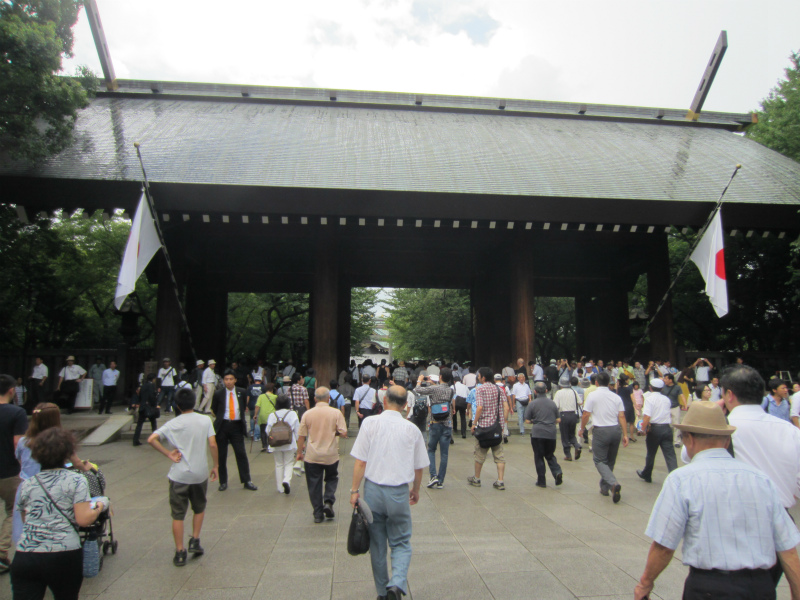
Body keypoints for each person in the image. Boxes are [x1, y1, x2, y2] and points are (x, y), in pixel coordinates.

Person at [634, 401, 800, 600]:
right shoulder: (762, 480)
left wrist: (645, 583)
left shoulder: (682, 480)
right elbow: (788, 551)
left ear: (689, 440)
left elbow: (664, 547)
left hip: (709, 588)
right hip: (760, 587)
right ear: (727, 441)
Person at [720, 365, 800, 588]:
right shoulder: (791, 431)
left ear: (729, 394)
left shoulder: (723, 429)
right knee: (764, 590)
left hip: (735, 526)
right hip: (780, 526)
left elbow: (690, 456)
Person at [350, 385, 428, 600]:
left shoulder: (370, 423)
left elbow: (360, 462)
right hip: (399, 492)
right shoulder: (411, 429)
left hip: (373, 490)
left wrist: (354, 491)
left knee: (377, 544)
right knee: (401, 541)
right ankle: (397, 582)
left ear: (384, 401)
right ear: (405, 406)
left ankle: (382, 592)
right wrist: (416, 490)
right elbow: (419, 466)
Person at [11, 428, 105, 599]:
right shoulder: (76, 480)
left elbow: (25, 519)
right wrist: (99, 506)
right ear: (67, 453)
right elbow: (83, 519)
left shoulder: (27, 484)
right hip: (63, 554)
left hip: (26, 555)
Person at [148, 387, 219, 567]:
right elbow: (212, 444)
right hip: (200, 473)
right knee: (199, 507)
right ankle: (195, 539)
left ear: (177, 405)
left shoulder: (173, 424)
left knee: (178, 514)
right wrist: (216, 465)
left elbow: (152, 439)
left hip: (179, 474)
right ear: (194, 402)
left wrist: (168, 454)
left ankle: (180, 551)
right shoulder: (205, 420)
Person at [12, 403, 90, 547]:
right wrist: (87, 468)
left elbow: (19, 459)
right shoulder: (60, 441)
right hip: (52, 487)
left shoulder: (24, 441)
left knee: (25, 524)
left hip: (26, 486)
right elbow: (77, 462)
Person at [296, 388, 347, 522]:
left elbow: (301, 436)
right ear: (328, 398)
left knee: (314, 483)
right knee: (331, 478)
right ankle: (329, 501)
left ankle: (318, 513)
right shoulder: (336, 413)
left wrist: (299, 453)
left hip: (312, 454)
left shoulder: (307, 414)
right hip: (330, 454)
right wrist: (333, 432)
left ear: (315, 399)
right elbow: (344, 433)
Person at [579, 371, 628, 503]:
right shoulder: (616, 397)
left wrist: (581, 428)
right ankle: (605, 488)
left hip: (601, 430)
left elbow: (586, 414)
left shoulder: (593, 396)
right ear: (609, 383)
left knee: (599, 460)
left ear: (596, 382)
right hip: (615, 430)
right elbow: (622, 416)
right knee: (610, 460)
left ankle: (612, 483)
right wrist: (625, 434)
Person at [210, 369, 257, 492]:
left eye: (231, 379)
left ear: (235, 380)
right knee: (222, 455)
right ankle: (223, 481)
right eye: (226, 379)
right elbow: (213, 409)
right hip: (223, 426)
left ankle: (246, 480)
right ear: (223, 381)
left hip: (236, 426)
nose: (229, 382)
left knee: (241, 453)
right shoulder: (218, 393)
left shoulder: (241, 392)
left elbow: (242, 407)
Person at [0, 374, 28, 574]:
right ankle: (1, 554)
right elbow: (18, 443)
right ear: (12, 390)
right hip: (9, 471)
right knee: (13, 511)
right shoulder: (16, 413)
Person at [468, 368, 508, 490]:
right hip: (496, 428)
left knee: (479, 455)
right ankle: (500, 481)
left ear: (483, 378)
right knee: (499, 455)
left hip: (484, 428)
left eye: (479, 376)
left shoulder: (479, 389)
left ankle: (477, 478)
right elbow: (506, 407)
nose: (478, 377)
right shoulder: (499, 389)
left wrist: (474, 423)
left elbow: (479, 407)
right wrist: (503, 423)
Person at [414, 368, 454, 490]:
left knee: (431, 450)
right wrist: (434, 383)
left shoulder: (434, 389)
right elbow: (441, 391)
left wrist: (419, 380)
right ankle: (441, 480)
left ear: (440, 376)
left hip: (435, 422)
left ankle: (433, 476)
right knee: (444, 454)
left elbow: (417, 390)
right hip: (447, 423)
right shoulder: (451, 390)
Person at [635, 379, 677, 483]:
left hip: (655, 429)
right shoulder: (666, 399)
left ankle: (647, 474)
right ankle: (675, 476)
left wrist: (642, 429)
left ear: (650, 387)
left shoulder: (649, 399)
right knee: (670, 454)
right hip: (667, 428)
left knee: (651, 453)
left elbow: (647, 416)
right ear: (662, 388)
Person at [525, 382, 563, 488]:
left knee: (539, 456)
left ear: (535, 391)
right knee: (550, 455)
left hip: (538, 433)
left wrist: (535, 421)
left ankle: (541, 481)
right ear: (546, 391)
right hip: (551, 433)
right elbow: (558, 419)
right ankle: (557, 472)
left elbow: (527, 420)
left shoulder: (532, 404)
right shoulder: (552, 403)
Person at [265, 394, 300, 494]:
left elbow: (268, 430)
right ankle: (286, 480)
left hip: (276, 443)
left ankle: (280, 487)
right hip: (289, 442)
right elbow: (297, 429)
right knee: (289, 463)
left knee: (279, 464)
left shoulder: (272, 415)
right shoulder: (292, 413)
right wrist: (299, 441)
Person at [553, 375, 581, 461]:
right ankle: (577, 445)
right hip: (573, 415)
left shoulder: (559, 393)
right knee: (572, 434)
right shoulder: (574, 391)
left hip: (563, 415)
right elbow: (580, 402)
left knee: (565, 436)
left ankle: (568, 454)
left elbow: (555, 405)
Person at [132, 373, 159, 446]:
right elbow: (152, 397)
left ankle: (135, 440)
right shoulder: (152, 386)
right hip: (149, 407)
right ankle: (155, 439)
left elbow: (140, 396)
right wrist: (155, 404)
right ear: (153, 379)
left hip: (143, 406)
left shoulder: (143, 386)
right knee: (153, 423)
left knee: (139, 424)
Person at [254, 383, 278, 452]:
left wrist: (255, 414)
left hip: (263, 415)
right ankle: (270, 445)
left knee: (263, 431)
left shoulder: (261, 396)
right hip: (272, 416)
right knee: (271, 431)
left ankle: (264, 445)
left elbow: (257, 406)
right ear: (272, 389)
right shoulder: (275, 397)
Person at [662, 373, 684, 447]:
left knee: (676, 424)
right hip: (666, 408)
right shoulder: (663, 387)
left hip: (675, 407)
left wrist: (685, 405)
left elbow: (682, 396)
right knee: (667, 424)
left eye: (666, 378)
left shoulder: (677, 387)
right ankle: (667, 439)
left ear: (671, 380)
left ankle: (677, 441)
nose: (664, 380)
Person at [246, 375, 264, 441]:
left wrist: (246, 405)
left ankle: (251, 432)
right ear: (261, 381)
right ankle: (257, 436)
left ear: (254, 380)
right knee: (257, 420)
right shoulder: (263, 387)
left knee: (251, 418)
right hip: (259, 406)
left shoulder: (250, 387)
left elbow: (248, 397)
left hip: (251, 405)